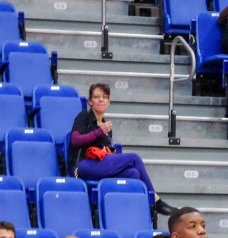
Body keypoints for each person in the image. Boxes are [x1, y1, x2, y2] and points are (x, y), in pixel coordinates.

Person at [70, 83, 176, 217]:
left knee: (133, 174)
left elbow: (105, 151)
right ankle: (156, 201)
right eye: (96, 97)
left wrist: (110, 151)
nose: (101, 100)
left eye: (104, 97)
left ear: (109, 102)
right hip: (80, 167)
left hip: (98, 165)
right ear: (90, 101)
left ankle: (132, 215)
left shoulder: (106, 125)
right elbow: (75, 140)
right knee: (134, 158)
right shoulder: (84, 116)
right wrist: (99, 131)